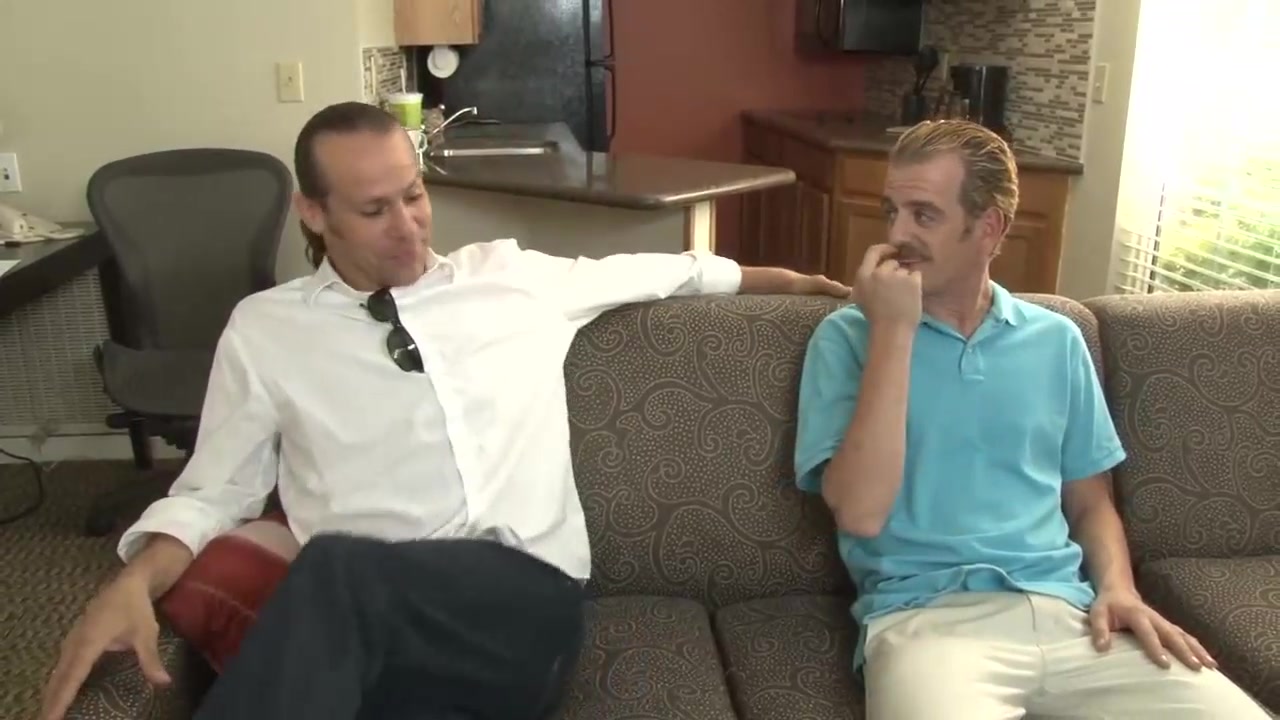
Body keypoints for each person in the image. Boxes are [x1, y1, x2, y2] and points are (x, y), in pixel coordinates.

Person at [39, 101, 852, 720]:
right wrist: (133, 582)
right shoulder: (267, 331)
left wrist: (800, 285)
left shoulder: (512, 278)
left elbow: (673, 270)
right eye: (374, 211)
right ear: (314, 214)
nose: (409, 228)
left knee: (335, 570)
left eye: (414, 196)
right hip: (373, 638)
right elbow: (214, 489)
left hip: (519, 608)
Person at [794, 120, 1269, 719]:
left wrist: (1118, 589)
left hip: (1071, 616)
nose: (897, 235)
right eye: (893, 211)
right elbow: (861, 513)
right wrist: (893, 331)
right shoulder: (847, 338)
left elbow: (1089, 503)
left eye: (924, 215)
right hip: (925, 624)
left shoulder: (1056, 340)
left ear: (989, 227)